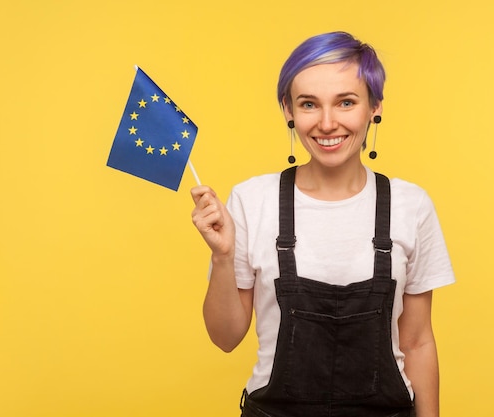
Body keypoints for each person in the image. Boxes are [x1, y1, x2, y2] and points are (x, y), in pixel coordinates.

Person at [191, 31, 455, 417]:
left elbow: (416, 341)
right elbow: (225, 338)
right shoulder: (252, 200)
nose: (327, 123)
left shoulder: (410, 205)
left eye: (346, 102)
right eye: (309, 104)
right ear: (288, 110)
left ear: (374, 107)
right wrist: (222, 258)